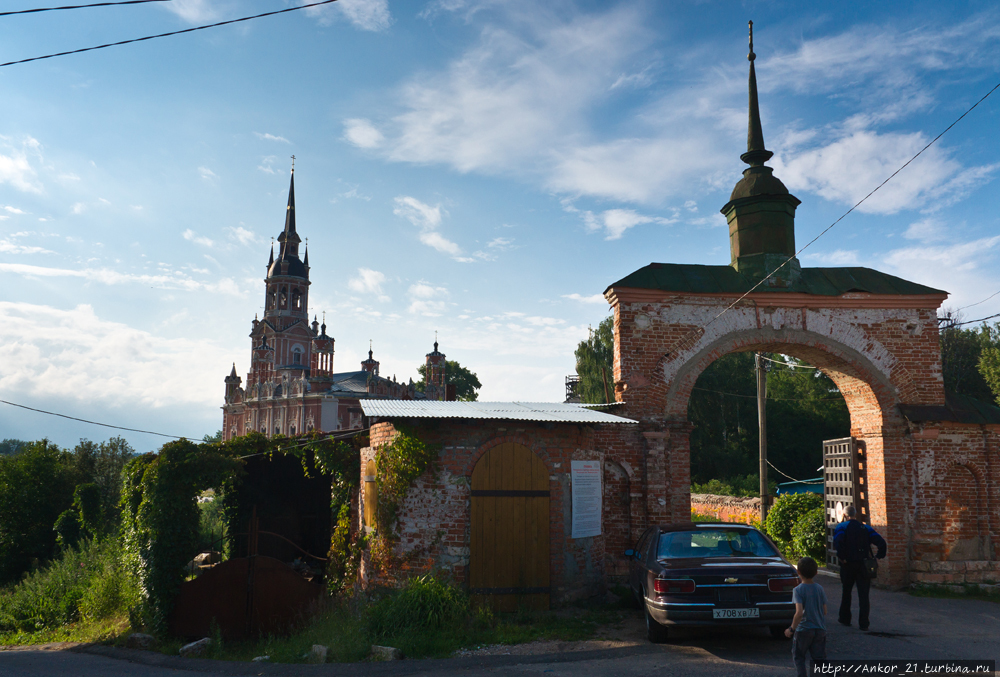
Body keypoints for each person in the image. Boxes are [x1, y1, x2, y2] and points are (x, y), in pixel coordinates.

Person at [833, 504, 887, 631]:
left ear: (845, 515)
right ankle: (864, 623)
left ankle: (845, 618)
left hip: (848, 564)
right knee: (864, 594)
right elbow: (881, 542)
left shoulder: (841, 527)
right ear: (855, 514)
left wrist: (842, 557)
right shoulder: (865, 528)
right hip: (864, 564)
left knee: (846, 591)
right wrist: (878, 556)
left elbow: (838, 542)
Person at [784, 556, 828, 677]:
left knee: (799, 657)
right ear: (816, 572)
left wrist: (791, 629)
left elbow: (799, 613)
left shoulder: (798, 590)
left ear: (798, 572)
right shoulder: (820, 588)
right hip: (820, 629)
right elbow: (824, 611)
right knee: (820, 659)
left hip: (804, 629)